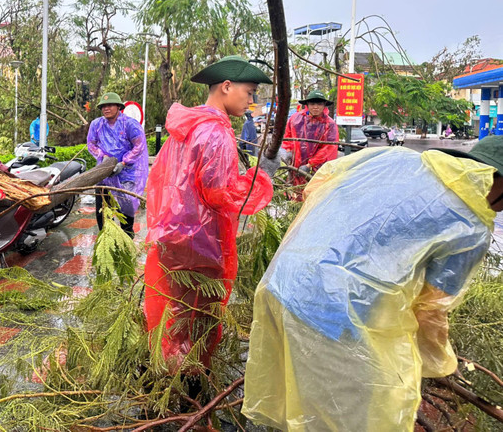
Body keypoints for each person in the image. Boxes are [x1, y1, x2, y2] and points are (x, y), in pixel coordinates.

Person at [242, 136, 503, 431]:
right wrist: (440, 364)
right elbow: (431, 309)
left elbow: (320, 182)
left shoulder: (395, 159)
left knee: (307, 407)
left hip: (283, 280)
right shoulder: (471, 225)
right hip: (336, 314)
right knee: (353, 416)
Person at [143, 56, 277, 381]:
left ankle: (163, 373)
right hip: (202, 244)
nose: (251, 100)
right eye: (249, 91)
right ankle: (186, 387)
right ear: (227, 87)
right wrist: (263, 178)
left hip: (174, 235)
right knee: (198, 321)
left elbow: (163, 181)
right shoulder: (215, 132)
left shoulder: (187, 126)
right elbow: (222, 192)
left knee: (176, 313)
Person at [86, 92, 148, 238]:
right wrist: (103, 156)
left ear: (119, 107)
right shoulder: (96, 125)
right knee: (103, 209)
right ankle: (106, 239)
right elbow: (91, 144)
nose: (106, 108)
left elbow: (139, 146)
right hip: (104, 173)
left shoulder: (130, 124)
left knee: (125, 209)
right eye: (103, 106)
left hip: (126, 173)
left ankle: (127, 238)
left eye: (110, 105)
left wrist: (123, 162)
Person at [280, 90, 338, 192]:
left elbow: (328, 149)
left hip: (318, 170)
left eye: (319, 103)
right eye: (312, 103)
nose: (315, 107)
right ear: (307, 104)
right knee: (295, 195)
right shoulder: (295, 119)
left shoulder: (330, 124)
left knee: (314, 195)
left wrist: (309, 164)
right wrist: (287, 152)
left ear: (324, 105)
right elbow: (287, 137)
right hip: (295, 167)